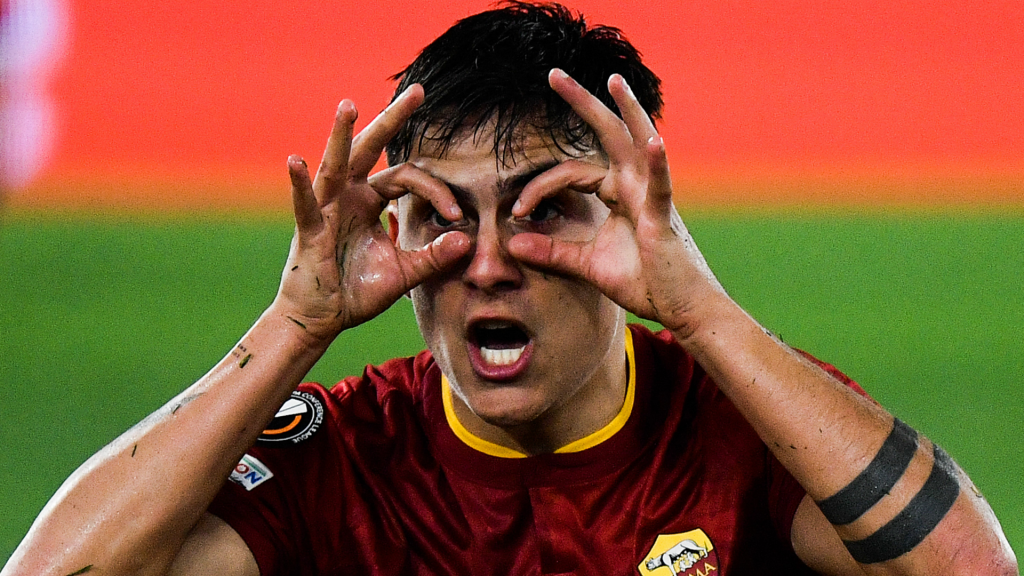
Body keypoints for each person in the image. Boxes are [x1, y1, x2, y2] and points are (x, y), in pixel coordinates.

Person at [2, 3, 1016, 575]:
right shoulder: (343, 460)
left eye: (547, 211)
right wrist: (295, 324)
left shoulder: (740, 432)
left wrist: (704, 314)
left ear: (630, 221)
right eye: (441, 217)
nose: (487, 262)